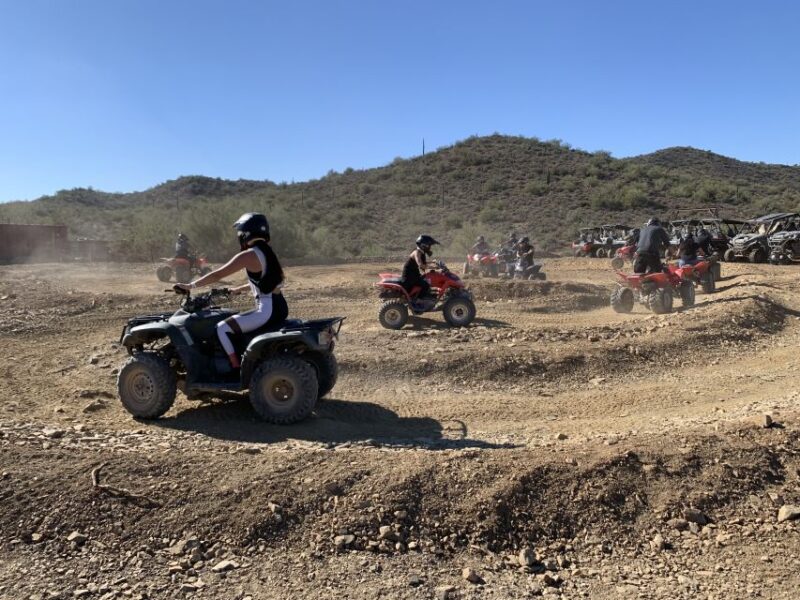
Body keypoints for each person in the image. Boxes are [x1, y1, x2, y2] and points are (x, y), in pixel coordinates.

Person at [174, 213, 287, 369]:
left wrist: (190, 286)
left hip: (266, 312)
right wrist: (239, 289)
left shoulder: (248, 255)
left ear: (245, 233)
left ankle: (235, 367)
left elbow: (217, 274)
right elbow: (268, 281)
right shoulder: (268, 252)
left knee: (222, 328)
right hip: (280, 308)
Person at [401, 234, 439, 299]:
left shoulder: (421, 252)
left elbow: (424, 263)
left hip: (414, 275)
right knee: (426, 285)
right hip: (409, 278)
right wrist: (434, 268)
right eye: (429, 245)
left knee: (427, 280)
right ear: (424, 245)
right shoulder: (417, 253)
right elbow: (420, 264)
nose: (430, 247)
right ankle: (419, 301)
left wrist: (433, 262)